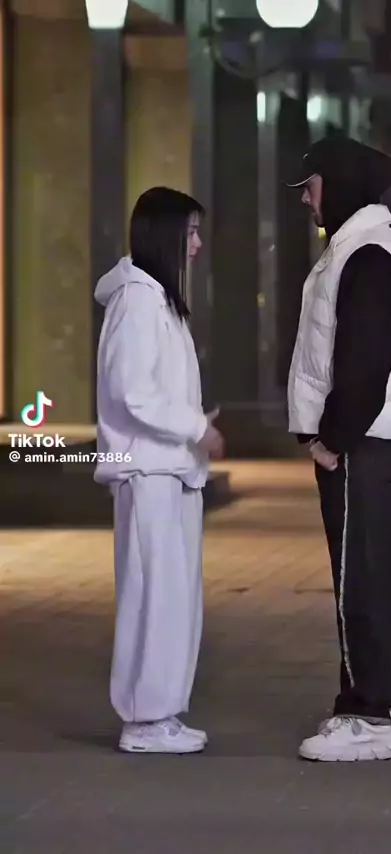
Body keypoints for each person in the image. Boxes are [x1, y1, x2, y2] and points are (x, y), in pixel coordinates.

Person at [287, 136, 391, 762]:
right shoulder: (360, 248)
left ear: (336, 183)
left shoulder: (367, 253)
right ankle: (378, 704)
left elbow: (365, 359)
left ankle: (366, 715)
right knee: (371, 574)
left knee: (360, 580)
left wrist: (332, 439)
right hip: (367, 444)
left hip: (359, 446)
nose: (306, 199)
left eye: (310, 185)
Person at [94, 187, 224, 754]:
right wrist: (195, 428)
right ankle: (145, 719)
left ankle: (160, 712)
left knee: (172, 595)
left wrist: (194, 429)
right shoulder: (137, 303)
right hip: (148, 470)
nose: (196, 245)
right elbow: (133, 392)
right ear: (165, 234)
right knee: (154, 595)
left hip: (170, 469)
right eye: (190, 232)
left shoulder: (156, 301)